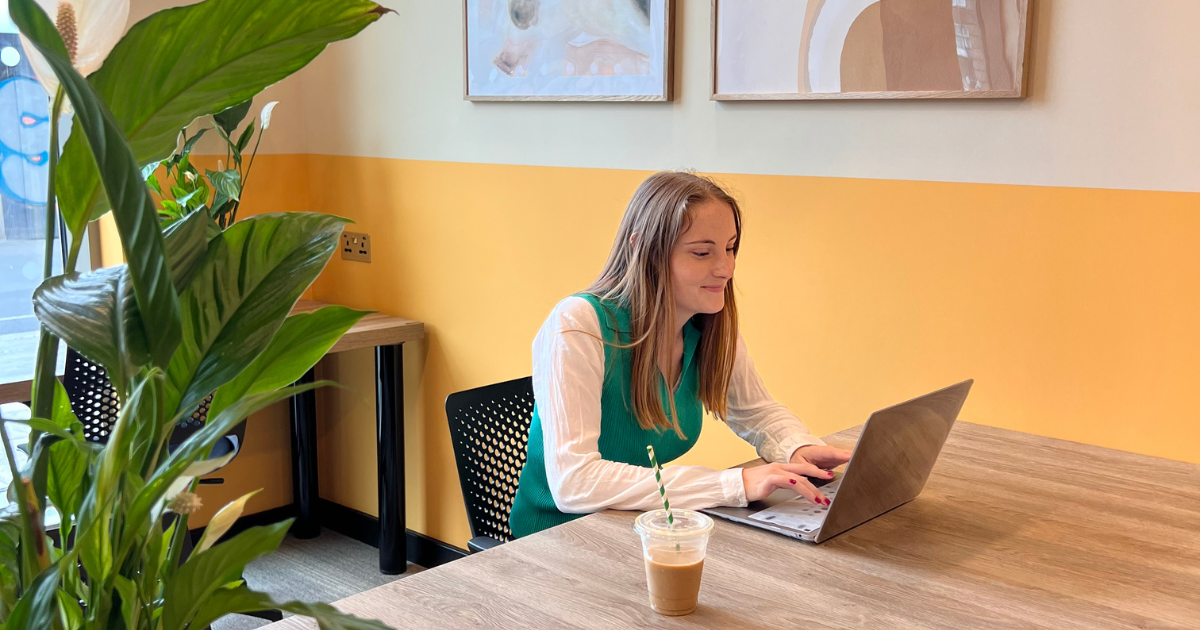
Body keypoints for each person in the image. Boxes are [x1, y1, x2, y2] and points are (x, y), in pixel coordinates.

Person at [509, 171, 852, 538]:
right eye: (702, 252)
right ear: (644, 248)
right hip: (554, 543)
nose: (725, 268)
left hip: (640, 529)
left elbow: (756, 412)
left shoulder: (708, 324)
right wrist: (734, 484)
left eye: (730, 247)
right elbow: (576, 482)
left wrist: (795, 447)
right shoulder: (577, 325)